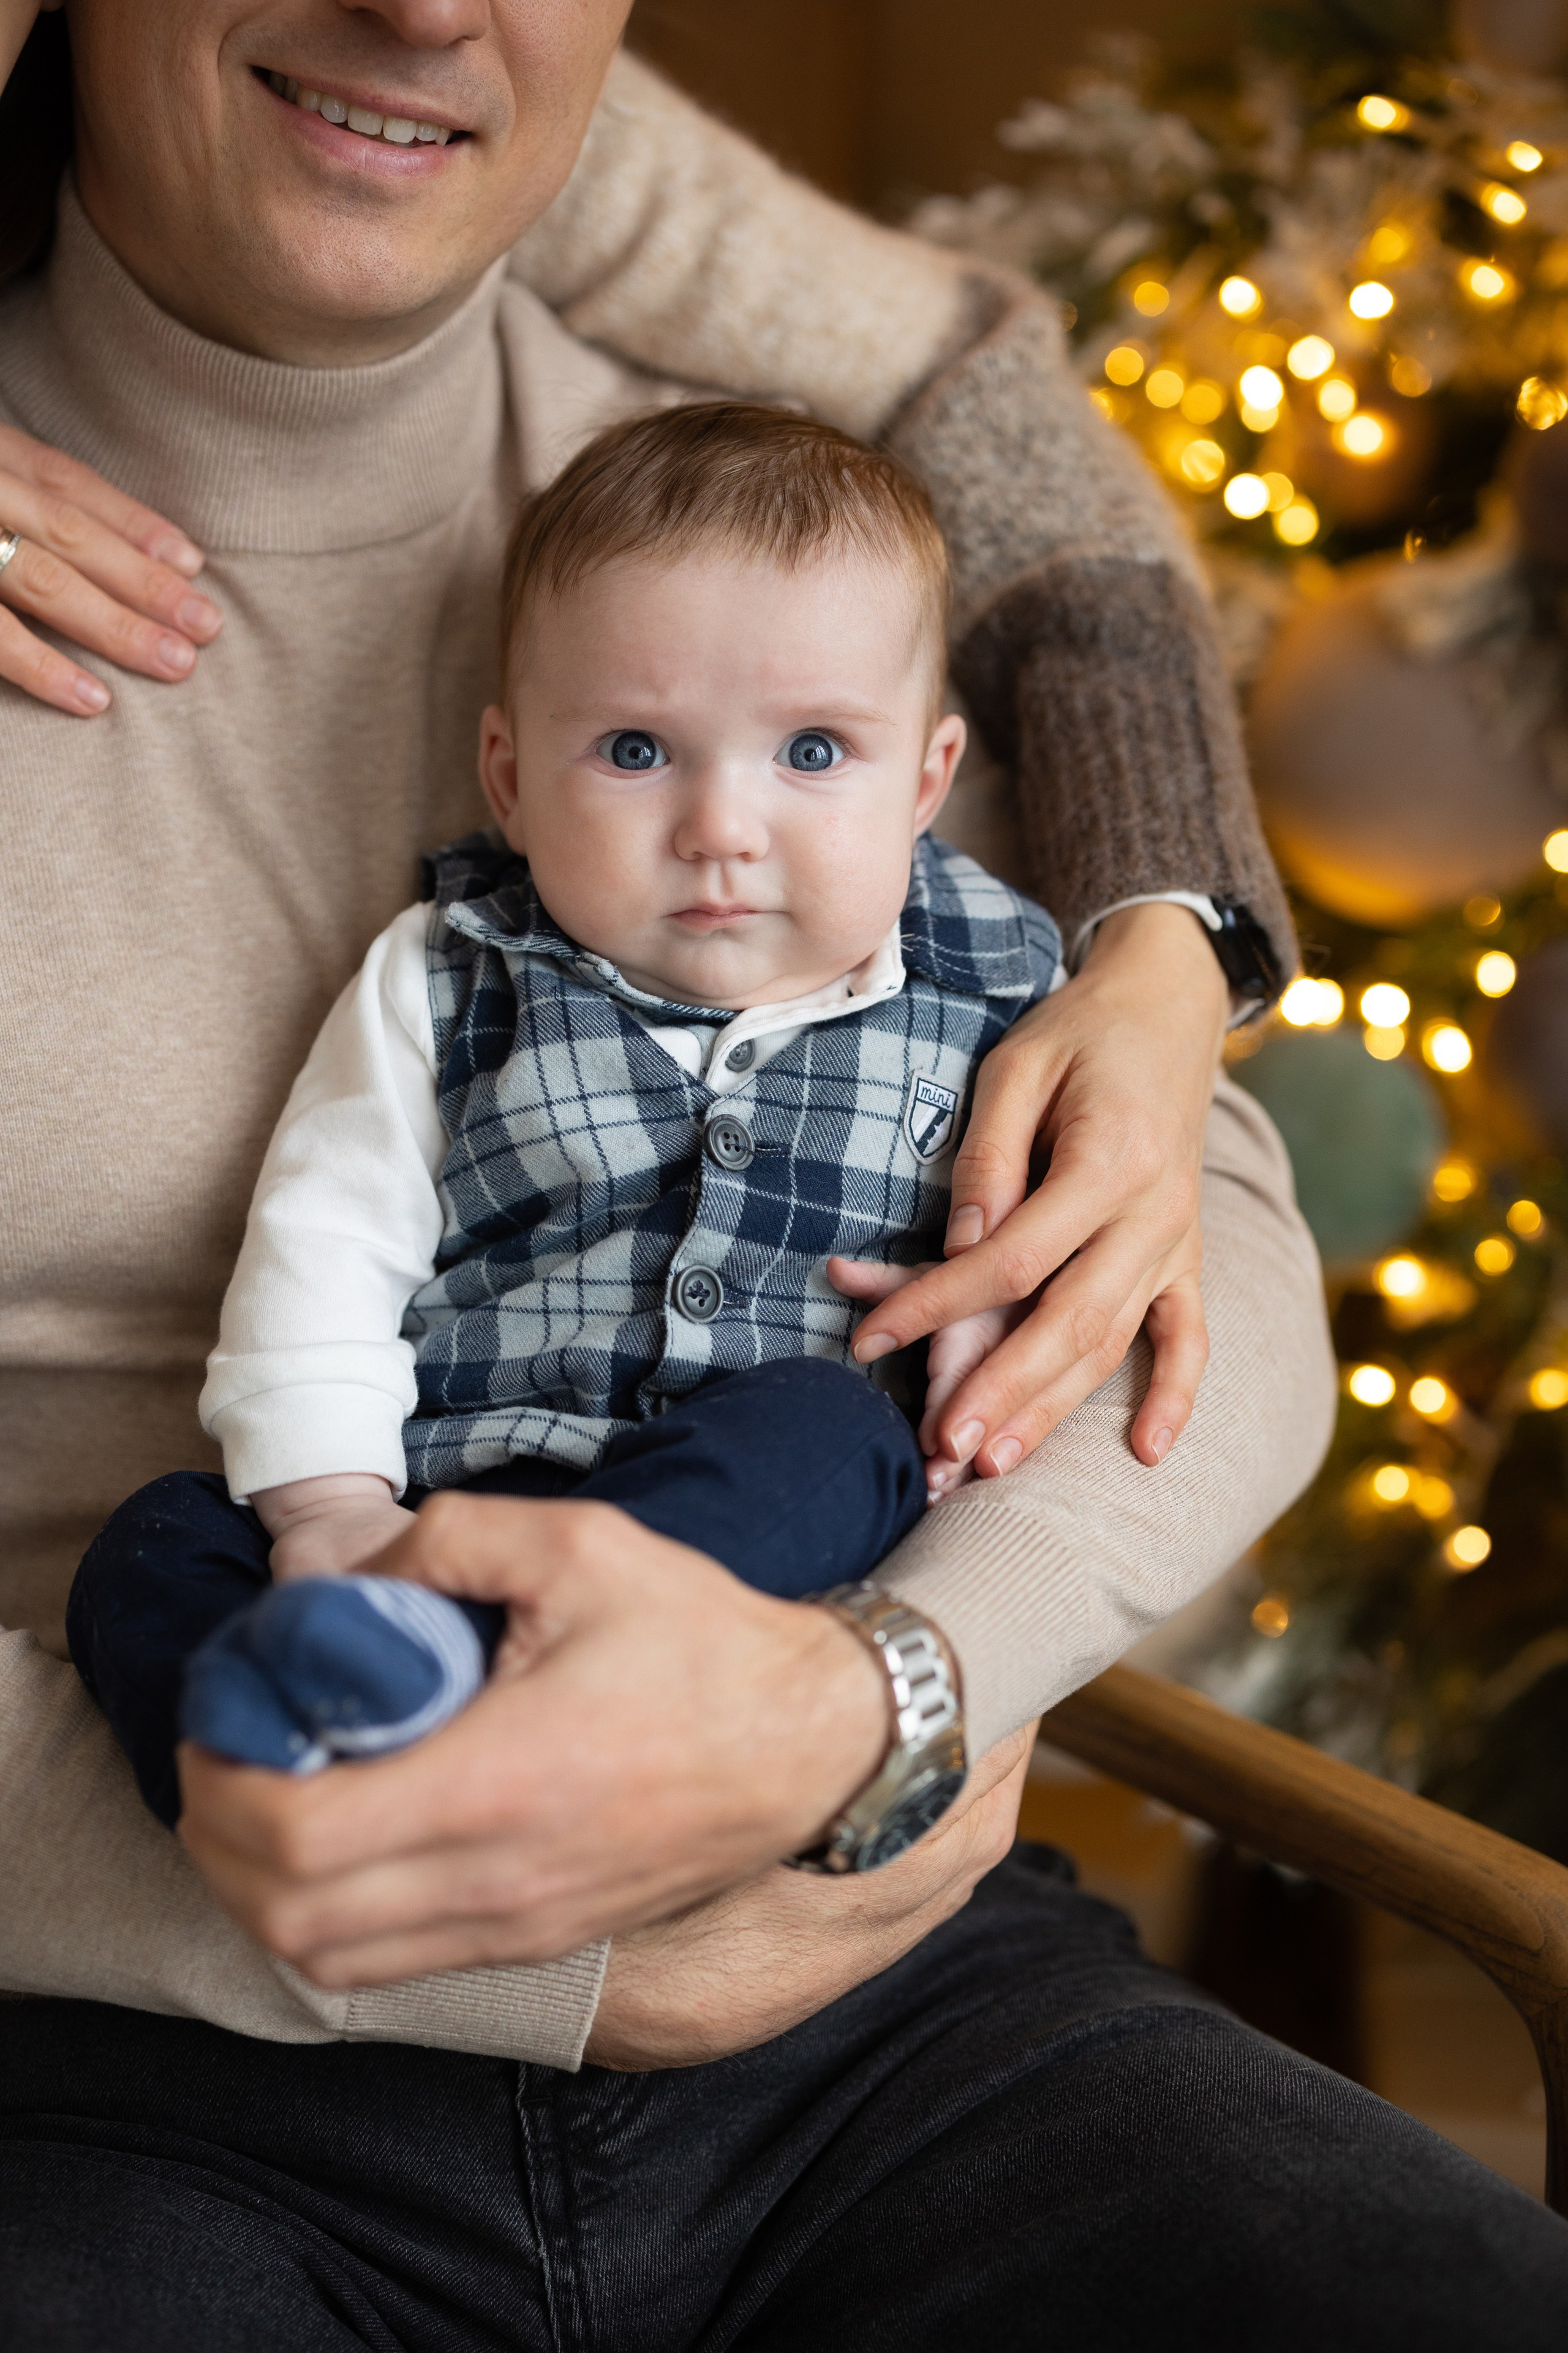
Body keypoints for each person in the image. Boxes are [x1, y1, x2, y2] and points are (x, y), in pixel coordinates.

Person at [6, 4, 1562, 2346]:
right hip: (132, 2023)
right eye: (628, 759)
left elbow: (1198, 1244)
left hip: (878, 1988)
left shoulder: (769, 553)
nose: (428, 7)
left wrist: (877, 1703)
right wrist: (508, 1929)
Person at [72, 402, 1066, 1816]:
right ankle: (291, 1774)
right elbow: (325, 1242)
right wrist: (330, 1511)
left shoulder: (1002, 975)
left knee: (830, 1430)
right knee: (158, 1543)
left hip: (748, 1548)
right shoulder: (448, 966)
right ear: (511, 778)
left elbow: (1072, 1197)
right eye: (636, 752)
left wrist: (995, 1308)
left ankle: (479, 1715)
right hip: (438, 1517)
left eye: (811, 754)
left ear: (925, 782)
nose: (723, 825)